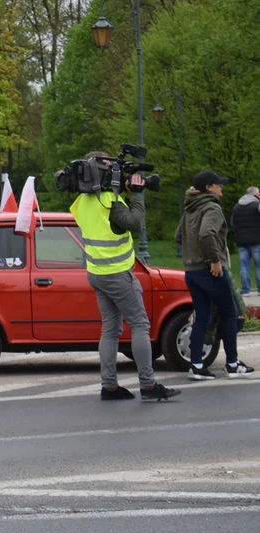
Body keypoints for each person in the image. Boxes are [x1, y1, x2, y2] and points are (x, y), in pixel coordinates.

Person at [69, 152, 180, 401]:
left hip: (96, 272)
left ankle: (109, 386)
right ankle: (148, 386)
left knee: (110, 329)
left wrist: (125, 193)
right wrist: (138, 194)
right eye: (109, 167)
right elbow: (135, 223)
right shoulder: (108, 200)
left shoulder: (83, 202)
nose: (114, 171)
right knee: (140, 325)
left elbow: (109, 224)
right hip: (117, 273)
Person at [177, 170, 255, 380]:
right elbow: (206, 233)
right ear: (209, 188)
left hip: (191, 271)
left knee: (201, 317)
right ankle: (232, 364)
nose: (221, 187)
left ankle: (196, 365)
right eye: (218, 184)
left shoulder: (189, 208)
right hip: (210, 270)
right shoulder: (211, 207)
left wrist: (192, 255)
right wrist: (215, 260)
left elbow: (179, 237)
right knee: (229, 314)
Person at [231, 186, 260, 296]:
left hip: (241, 241)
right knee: (259, 265)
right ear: (255, 195)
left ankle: (246, 290)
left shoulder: (236, 207)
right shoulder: (257, 205)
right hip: (257, 240)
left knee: (244, 266)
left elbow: (233, 223)